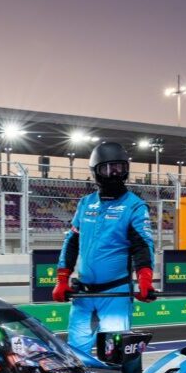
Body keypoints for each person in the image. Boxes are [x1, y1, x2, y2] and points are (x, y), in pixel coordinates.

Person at [52, 142, 155, 356]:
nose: (115, 173)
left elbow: (142, 246)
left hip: (115, 294)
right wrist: (62, 278)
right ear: (96, 172)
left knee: (115, 354)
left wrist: (145, 279)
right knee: (76, 353)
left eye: (120, 168)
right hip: (83, 294)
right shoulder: (85, 203)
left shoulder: (135, 206)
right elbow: (71, 242)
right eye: (108, 169)